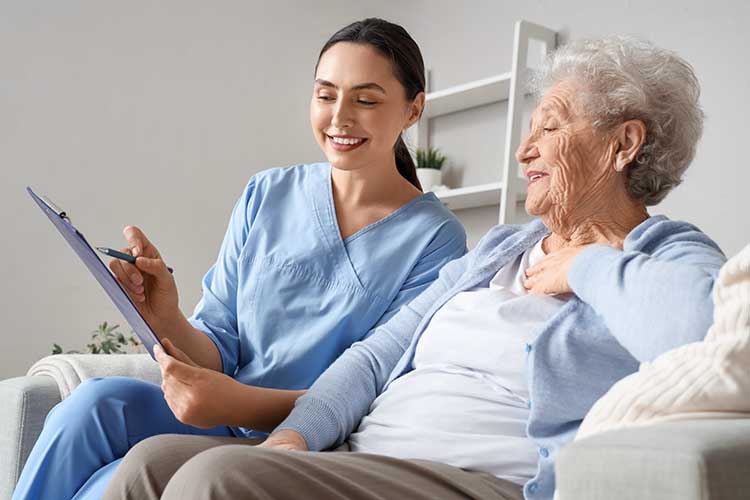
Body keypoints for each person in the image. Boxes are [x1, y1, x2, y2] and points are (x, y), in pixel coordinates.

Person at [104, 35, 726, 500]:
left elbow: (707, 331)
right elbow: (375, 357)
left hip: (477, 478)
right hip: (366, 455)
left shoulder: (666, 252)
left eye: (551, 127)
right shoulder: (501, 249)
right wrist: (296, 437)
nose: (523, 148)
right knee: (149, 464)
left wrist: (587, 265)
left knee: (216, 478)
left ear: (624, 144)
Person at [12, 18, 467, 500]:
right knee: (95, 402)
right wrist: (165, 312)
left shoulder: (435, 240)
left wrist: (235, 404)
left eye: (366, 100)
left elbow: (378, 387)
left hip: (309, 443)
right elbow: (218, 348)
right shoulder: (266, 193)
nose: (339, 118)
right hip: (221, 417)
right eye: (325, 95)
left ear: (413, 108)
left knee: (109, 483)